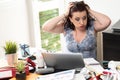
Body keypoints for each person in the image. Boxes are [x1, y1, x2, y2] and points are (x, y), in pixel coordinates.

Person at [42, 1, 111, 59]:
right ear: (71, 19)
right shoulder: (65, 28)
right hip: (70, 69)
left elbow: (107, 21)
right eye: (77, 19)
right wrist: (65, 14)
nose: (82, 22)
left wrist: (88, 10)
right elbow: (46, 27)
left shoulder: (92, 26)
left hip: (90, 70)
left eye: (84, 18)